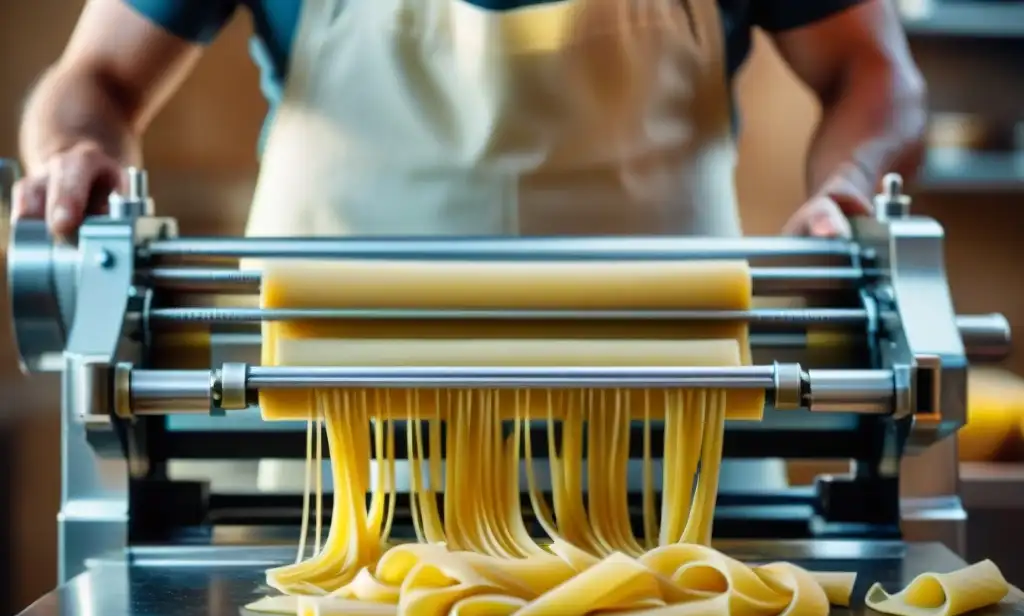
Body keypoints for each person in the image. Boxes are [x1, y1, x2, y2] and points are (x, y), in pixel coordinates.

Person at [13, 0, 927, 494]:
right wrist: (73, 154)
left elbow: (874, 69)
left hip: (675, 456)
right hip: (333, 464)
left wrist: (849, 184)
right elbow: (92, 77)